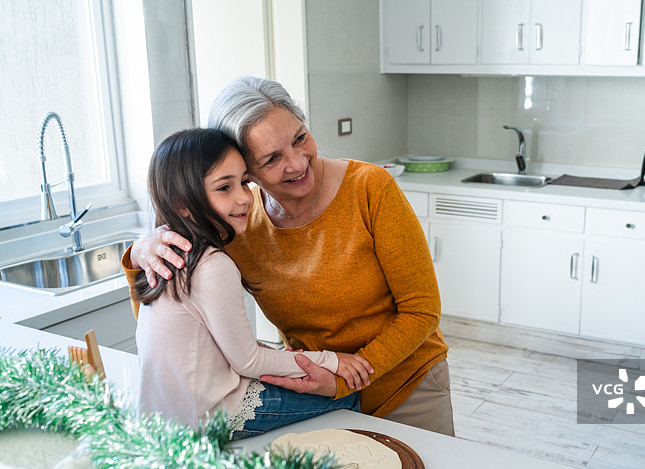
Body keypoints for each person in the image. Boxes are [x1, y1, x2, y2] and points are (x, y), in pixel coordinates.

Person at [125, 76, 455, 436]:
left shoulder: (370, 189)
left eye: (300, 138)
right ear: (245, 169)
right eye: (271, 159)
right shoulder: (236, 225)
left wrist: (346, 380)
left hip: (404, 386)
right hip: (316, 398)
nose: (298, 164)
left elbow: (421, 310)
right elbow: (169, 313)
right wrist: (139, 253)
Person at [132, 128, 368, 439]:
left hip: (165, 415)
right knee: (347, 395)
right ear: (182, 204)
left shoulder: (167, 252)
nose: (245, 197)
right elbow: (249, 362)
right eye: (224, 188)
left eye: (244, 182)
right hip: (208, 418)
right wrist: (332, 360)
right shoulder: (213, 265)